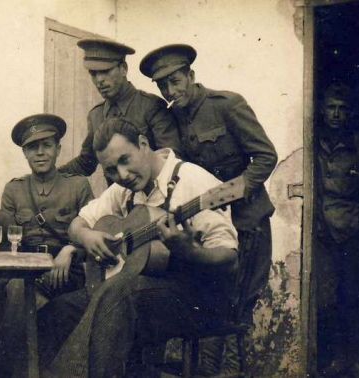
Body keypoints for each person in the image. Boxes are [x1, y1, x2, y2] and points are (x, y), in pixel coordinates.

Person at [38, 118, 239, 377]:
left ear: (144, 143)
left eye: (125, 160)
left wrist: (189, 251)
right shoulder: (124, 189)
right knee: (60, 311)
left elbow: (230, 259)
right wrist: (87, 237)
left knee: (118, 293)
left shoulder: (194, 181)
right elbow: (78, 224)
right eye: (111, 170)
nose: (121, 176)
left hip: (198, 298)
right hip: (138, 292)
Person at [140, 44, 278, 372]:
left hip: (246, 222)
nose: (171, 91)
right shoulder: (171, 119)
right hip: (203, 230)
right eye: (163, 86)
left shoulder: (227, 105)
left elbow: (266, 156)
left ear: (191, 75)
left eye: (176, 81)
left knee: (235, 313)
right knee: (209, 310)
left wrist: (236, 190)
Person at [0, 113, 95, 375]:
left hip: (66, 271)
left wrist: (72, 249)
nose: (40, 152)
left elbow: (93, 232)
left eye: (47, 145)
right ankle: (9, 369)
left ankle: (1, 369)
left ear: (58, 149)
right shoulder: (15, 189)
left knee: (22, 298)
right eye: (33, 147)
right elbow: (10, 244)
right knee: (15, 291)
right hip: (26, 271)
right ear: (25, 153)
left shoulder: (78, 185)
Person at [314, 83, 359, 377]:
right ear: (322, 109)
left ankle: (354, 359)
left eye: (342, 108)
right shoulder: (312, 141)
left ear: (350, 112)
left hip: (355, 230)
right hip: (323, 232)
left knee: (356, 296)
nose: (336, 114)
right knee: (326, 298)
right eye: (331, 107)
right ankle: (333, 358)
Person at [59, 38, 180, 177]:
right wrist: (50, 176)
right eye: (93, 73)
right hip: (119, 197)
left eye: (105, 71)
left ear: (123, 69)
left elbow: (171, 159)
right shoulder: (96, 115)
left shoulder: (152, 106)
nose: (99, 80)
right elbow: (86, 163)